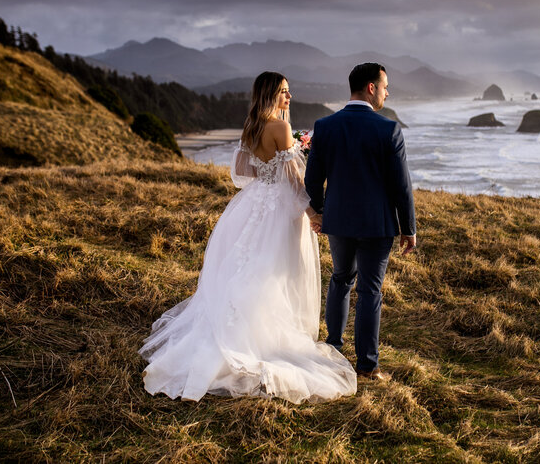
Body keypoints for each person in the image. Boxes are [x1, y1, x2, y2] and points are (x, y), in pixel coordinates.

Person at [140, 71, 356, 404]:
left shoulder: (251, 125)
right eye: (284, 92)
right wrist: (313, 212)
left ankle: (239, 328)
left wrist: (277, 163)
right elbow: (295, 180)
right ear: (271, 94)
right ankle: (264, 339)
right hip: (278, 209)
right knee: (276, 272)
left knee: (251, 266)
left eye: (289, 91)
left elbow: (243, 171)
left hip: (253, 203)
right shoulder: (281, 127)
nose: (290, 96)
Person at [304, 63, 416, 381]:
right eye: (385, 86)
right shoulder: (388, 129)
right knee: (369, 291)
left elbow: (312, 181)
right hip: (376, 224)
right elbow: (401, 186)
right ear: (370, 87)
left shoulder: (325, 126)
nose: (387, 91)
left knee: (340, 279)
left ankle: (333, 351)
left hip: (337, 221)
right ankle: (367, 366)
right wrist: (408, 228)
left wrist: (321, 211)